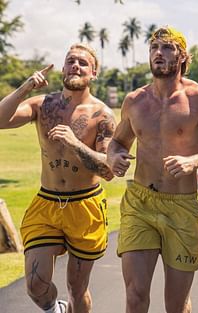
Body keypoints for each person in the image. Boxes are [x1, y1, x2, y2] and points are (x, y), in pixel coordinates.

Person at [106, 25, 198, 313]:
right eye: (154, 48)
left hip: (182, 207)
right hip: (140, 203)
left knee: (176, 305)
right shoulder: (135, 101)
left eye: (167, 47)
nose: (158, 53)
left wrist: (194, 161)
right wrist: (114, 156)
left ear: (182, 56)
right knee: (135, 295)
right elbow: (118, 141)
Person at [0, 43, 115, 313]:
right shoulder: (42, 105)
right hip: (47, 202)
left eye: (83, 63)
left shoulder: (102, 115)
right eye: (70, 61)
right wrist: (25, 88)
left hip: (85, 206)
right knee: (35, 285)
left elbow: (108, 170)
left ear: (93, 73)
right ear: (63, 68)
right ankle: (55, 309)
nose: (76, 65)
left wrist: (75, 144)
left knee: (77, 288)